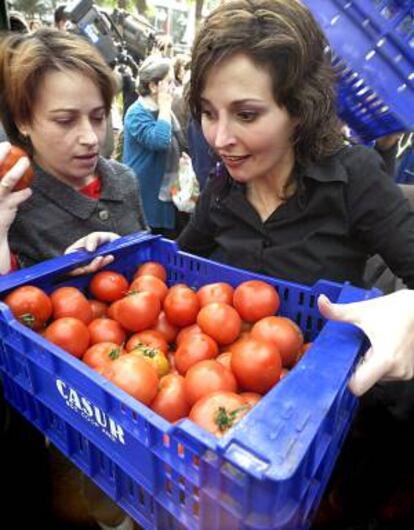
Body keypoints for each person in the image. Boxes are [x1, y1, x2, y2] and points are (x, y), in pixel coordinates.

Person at [175, 0, 414, 527]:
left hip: (330, 428)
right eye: (209, 113)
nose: (219, 138)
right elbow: (176, 263)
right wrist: (120, 249)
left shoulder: (353, 179)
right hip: (233, 423)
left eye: (246, 114)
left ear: (299, 109)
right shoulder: (221, 188)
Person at [0, 28, 147, 530]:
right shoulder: (15, 201)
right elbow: (10, 317)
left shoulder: (123, 182)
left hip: (138, 390)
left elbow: (151, 272)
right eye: (65, 120)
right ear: (23, 120)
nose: (89, 137)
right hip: (62, 407)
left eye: (99, 117)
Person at [123, 56, 187, 238]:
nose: (173, 86)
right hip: (146, 193)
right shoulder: (136, 113)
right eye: (168, 82)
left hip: (165, 189)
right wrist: (166, 107)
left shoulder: (161, 109)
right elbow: (159, 141)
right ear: (153, 86)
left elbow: (176, 140)